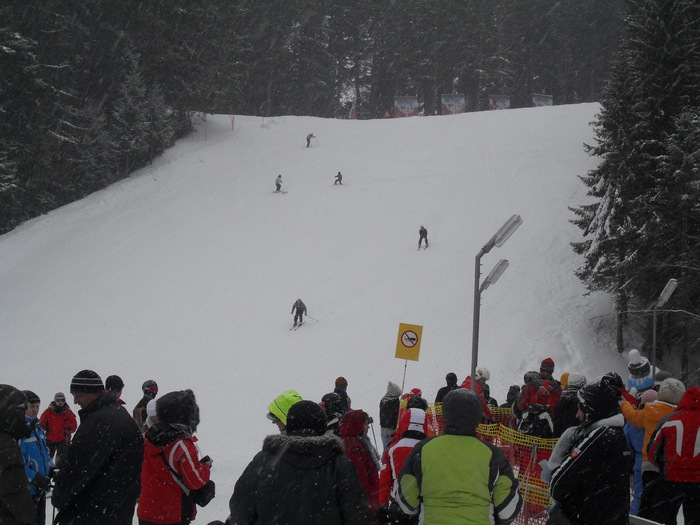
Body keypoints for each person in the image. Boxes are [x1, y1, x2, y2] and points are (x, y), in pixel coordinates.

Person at [227, 400, 372, 523]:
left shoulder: (263, 461)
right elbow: (358, 516)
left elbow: (240, 513)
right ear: (322, 426)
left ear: (289, 425)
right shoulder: (339, 464)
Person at [397, 389, 522, 524]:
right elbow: (508, 509)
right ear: (476, 416)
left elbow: (407, 503)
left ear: (445, 414)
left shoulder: (423, 450)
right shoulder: (492, 455)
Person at [53, 370, 144, 525]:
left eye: (79, 395)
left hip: (95, 510)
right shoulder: (115, 412)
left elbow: (79, 468)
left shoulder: (101, 421)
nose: (75, 401)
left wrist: (60, 496)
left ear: (95, 393)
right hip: (115, 508)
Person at [546, 378, 629, 524]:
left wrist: (554, 470)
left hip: (591, 517)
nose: (577, 415)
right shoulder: (616, 434)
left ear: (591, 410)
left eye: (580, 409)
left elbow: (558, 485)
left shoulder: (599, 437)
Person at [138, 389, 215, 525]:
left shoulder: (145, 439)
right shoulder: (182, 445)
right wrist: (205, 467)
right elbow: (194, 481)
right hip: (172, 512)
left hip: (147, 509)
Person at [619, 377, 686, 519]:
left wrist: (624, 403)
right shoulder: (680, 414)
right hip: (669, 462)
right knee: (664, 500)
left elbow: (633, 416)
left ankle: (638, 519)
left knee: (642, 495)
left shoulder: (650, 410)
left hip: (647, 460)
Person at [648, 386, 700, 524]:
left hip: (670, 479)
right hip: (697, 482)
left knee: (664, 518)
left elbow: (653, 451)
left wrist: (663, 465)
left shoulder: (669, 420)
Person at [377, 408, 429, 525]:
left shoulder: (393, 449)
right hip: (423, 503)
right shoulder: (429, 448)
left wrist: (382, 504)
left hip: (398, 501)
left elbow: (385, 479)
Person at [0, 385, 36, 525]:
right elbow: (15, 494)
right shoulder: (5, 447)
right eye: (21, 412)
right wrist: (30, 517)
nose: (25, 419)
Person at [18, 390, 54, 525]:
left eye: (37, 406)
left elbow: (45, 452)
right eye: (32, 406)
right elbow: (18, 463)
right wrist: (34, 477)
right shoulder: (21, 430)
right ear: (24, 407)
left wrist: (51, 468)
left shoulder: (38, 428)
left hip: (41, 488)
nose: (35, 410)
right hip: (28, 490)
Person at [339, 409, 380, 517]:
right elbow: (360, 479)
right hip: (364, 504)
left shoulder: (360, 442)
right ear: (356, 425)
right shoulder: (353, 446)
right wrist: (368, 505)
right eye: (365, 424)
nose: (368, 427)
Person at [625, 389, 657, 516]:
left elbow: (626, 441)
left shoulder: (635, 420)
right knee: (656, 495)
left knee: (639, 494)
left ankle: (635, 519)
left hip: (639, 460)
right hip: (656, 460)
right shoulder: (660, 417)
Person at [39, 392, 77, 466]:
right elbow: (41, 424)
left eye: (62, 400)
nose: (60, 402)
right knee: (46, 460)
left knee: (61, 462)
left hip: (63, 441)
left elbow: (74, 426)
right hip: (50, 440)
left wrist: (67, 428)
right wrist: (42, 426)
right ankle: (48, 474)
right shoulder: (48, 412)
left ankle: (60, 474)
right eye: (58, 400)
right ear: (54, 401)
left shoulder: (68, 413)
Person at [552, 372, 586, 437]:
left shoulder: (561, 400)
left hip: (562, 439)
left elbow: (557, 425)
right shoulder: (582, 402)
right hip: (577, 438)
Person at [379, 382, 402, 452]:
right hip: (392, 428)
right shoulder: (395, 402)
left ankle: (383, 461)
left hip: (383, 428)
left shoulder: (383, 400)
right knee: (391, 449)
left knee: (385, 449)